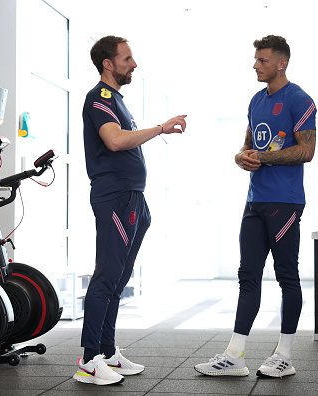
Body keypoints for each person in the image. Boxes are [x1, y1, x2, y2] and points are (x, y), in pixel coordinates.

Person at [194, 35, 316, 378]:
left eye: (262, 60)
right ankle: (235, 356)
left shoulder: (300, 99)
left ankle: (285, 356)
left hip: (285, 202)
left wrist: (264, 157)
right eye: (255, 59)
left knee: (287, 276)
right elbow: (248, 144)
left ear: (281, 63)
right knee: (247, 276)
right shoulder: (255, 101)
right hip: (255, 200)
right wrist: (241, 156)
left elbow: (306, 151)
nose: (255, 65)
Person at [74, 35, 186, 386]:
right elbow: (115, 140)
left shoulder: (117, 100)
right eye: (127, 58)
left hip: (133, 198)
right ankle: (89, 360)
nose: (133, 64)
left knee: (120, 279)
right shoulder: (99, 98)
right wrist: (160, 128)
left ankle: (107, 352)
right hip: (114, 196)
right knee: (107, 276)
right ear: (108, 64)